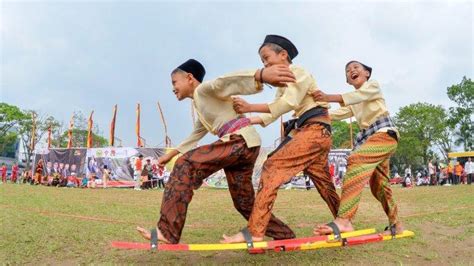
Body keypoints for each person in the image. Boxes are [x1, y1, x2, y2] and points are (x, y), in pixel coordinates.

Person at [136, 58, 298, 245]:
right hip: (247, 145)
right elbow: (195, 135)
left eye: (174, 82)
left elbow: (225, 82)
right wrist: (170, 155)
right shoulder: (201, 106)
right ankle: (283, 233)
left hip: (239, 141)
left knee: (185, 164)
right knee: (243, 202)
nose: (172, 88)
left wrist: (260, 75)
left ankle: (167, 231)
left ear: (189, 78)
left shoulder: (204, 90)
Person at [221, 35, 340, 244]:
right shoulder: (281, 85)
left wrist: (250, 107)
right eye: (262, 62)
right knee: (322, 181)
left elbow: (288, 103)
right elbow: (272, 113)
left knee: (272, 166)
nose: (265, 64)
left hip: (314, 131)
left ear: (283, 55)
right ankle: (343, 220)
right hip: (312, 132)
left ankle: (255, 231)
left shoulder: (298, 72)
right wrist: (245, 121)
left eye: (267, 58)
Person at [311, 60, 403, 237]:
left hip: (384, 135)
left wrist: (328, 97)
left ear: (367, 73)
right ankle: (396, 224)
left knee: (356, 159)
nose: (351, 71)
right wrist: (309, 116)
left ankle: (344, 220)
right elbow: (336, 114)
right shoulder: (353, 101)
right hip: (371, 140)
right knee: (379, 186)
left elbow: (357, 96)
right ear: (348, 80)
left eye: (355, 68)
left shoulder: (373, 86)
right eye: (348, 71)